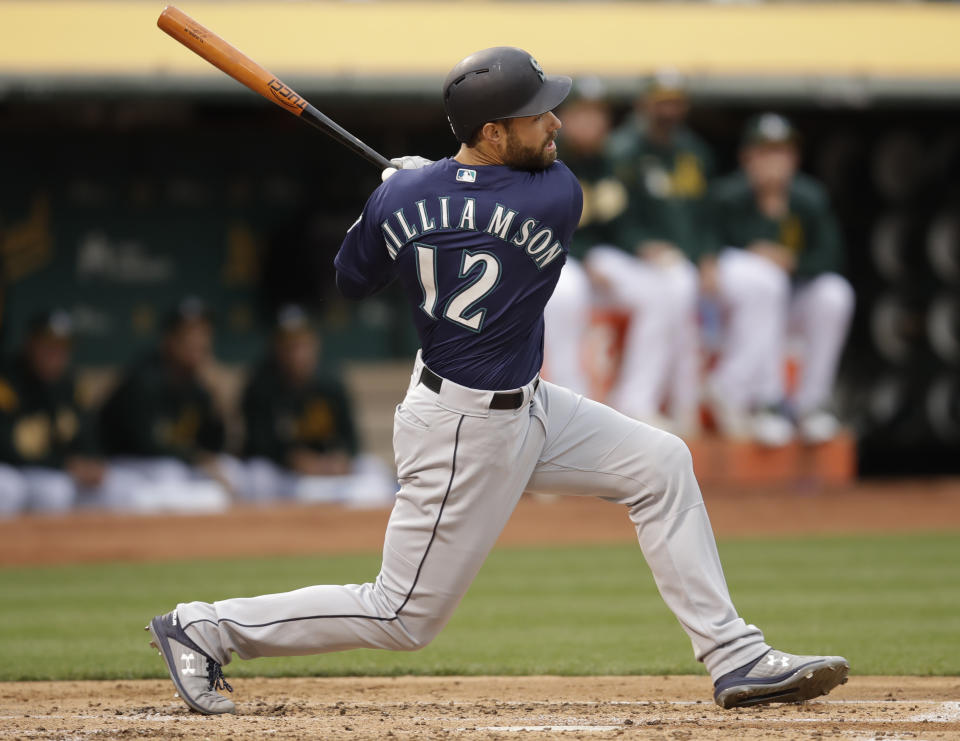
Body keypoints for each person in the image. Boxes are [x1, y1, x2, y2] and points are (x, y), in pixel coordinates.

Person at [146, 47, 848, 715]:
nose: (556, 124)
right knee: (402, 614)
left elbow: (352, 277)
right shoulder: (555, 194)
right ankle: (203, 627)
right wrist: (425, 184)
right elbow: (484, 202)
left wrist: (394, 198)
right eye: (538, 114)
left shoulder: (409, 202)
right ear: (491, 131)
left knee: (661, 463)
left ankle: (734, 654)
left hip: (528, 405)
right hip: (464, 429)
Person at [703, 113, 855, 445]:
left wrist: (791, 261)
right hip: (736, 304)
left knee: (835, 293)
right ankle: (764, 401)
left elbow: (832, 258)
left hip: (789, 300)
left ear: (794, 158)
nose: (773, 161)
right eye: (765, 152)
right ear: (747, 157)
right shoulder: (727, 195)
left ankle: (810, 404)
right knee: (764, 280)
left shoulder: (809, 198)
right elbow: (706, 245)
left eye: (781, 152)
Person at [579, 70, 710, 432]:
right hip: (589, 260)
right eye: (661, 101)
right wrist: (615, 248)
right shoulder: (622, 150)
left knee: (670, 291)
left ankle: (661, 402)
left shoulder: (689, 151)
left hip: (628, 258)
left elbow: (620, 219)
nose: (668, 109)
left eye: (674, 101)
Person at [239, 304, 396, 506]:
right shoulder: (260, 385)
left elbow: (350, 438)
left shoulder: (330, 381)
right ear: (277, 347)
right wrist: (292, 459)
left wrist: (341, 458)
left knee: (375, 470)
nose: (298, 353)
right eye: (291, 345)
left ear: (315, 344)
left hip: (326, 468)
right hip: (284, 475)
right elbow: (256, 444)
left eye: (303, 344)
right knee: (257, 477)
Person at [99, 297, 233, 512]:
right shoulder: (144, 378)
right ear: (169, 340)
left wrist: (218, 404)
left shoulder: (199, 385)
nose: (198, 342)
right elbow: (146, 443)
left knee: (227, 472)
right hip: (125, 465)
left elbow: (213, 445)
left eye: (204, 333)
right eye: (190, 334)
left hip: (170, 465)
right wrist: (197, 459)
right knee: (172, 474)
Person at [542, 78, 626, 395]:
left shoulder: (615, 161)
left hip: (601, 260)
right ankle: (566, 395)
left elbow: (622, 226)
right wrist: (584, 256)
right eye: (582, 113)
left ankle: (637, 401)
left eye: (597, 114)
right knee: (566, 292)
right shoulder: (546, 157)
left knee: (668, 289)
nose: (591, 123)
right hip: (556, 256)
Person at [0, 310, 117, 514]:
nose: (56, 354)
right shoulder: (8, 382)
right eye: (49, 346)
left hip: (49, 471)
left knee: (103, 487)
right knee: (10, 489)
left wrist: (91, 461)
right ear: (30, 345)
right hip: (10, 468)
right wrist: (65, 465)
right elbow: (6, 448)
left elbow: (88, 435)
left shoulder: (70, 385)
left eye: (63, 347)